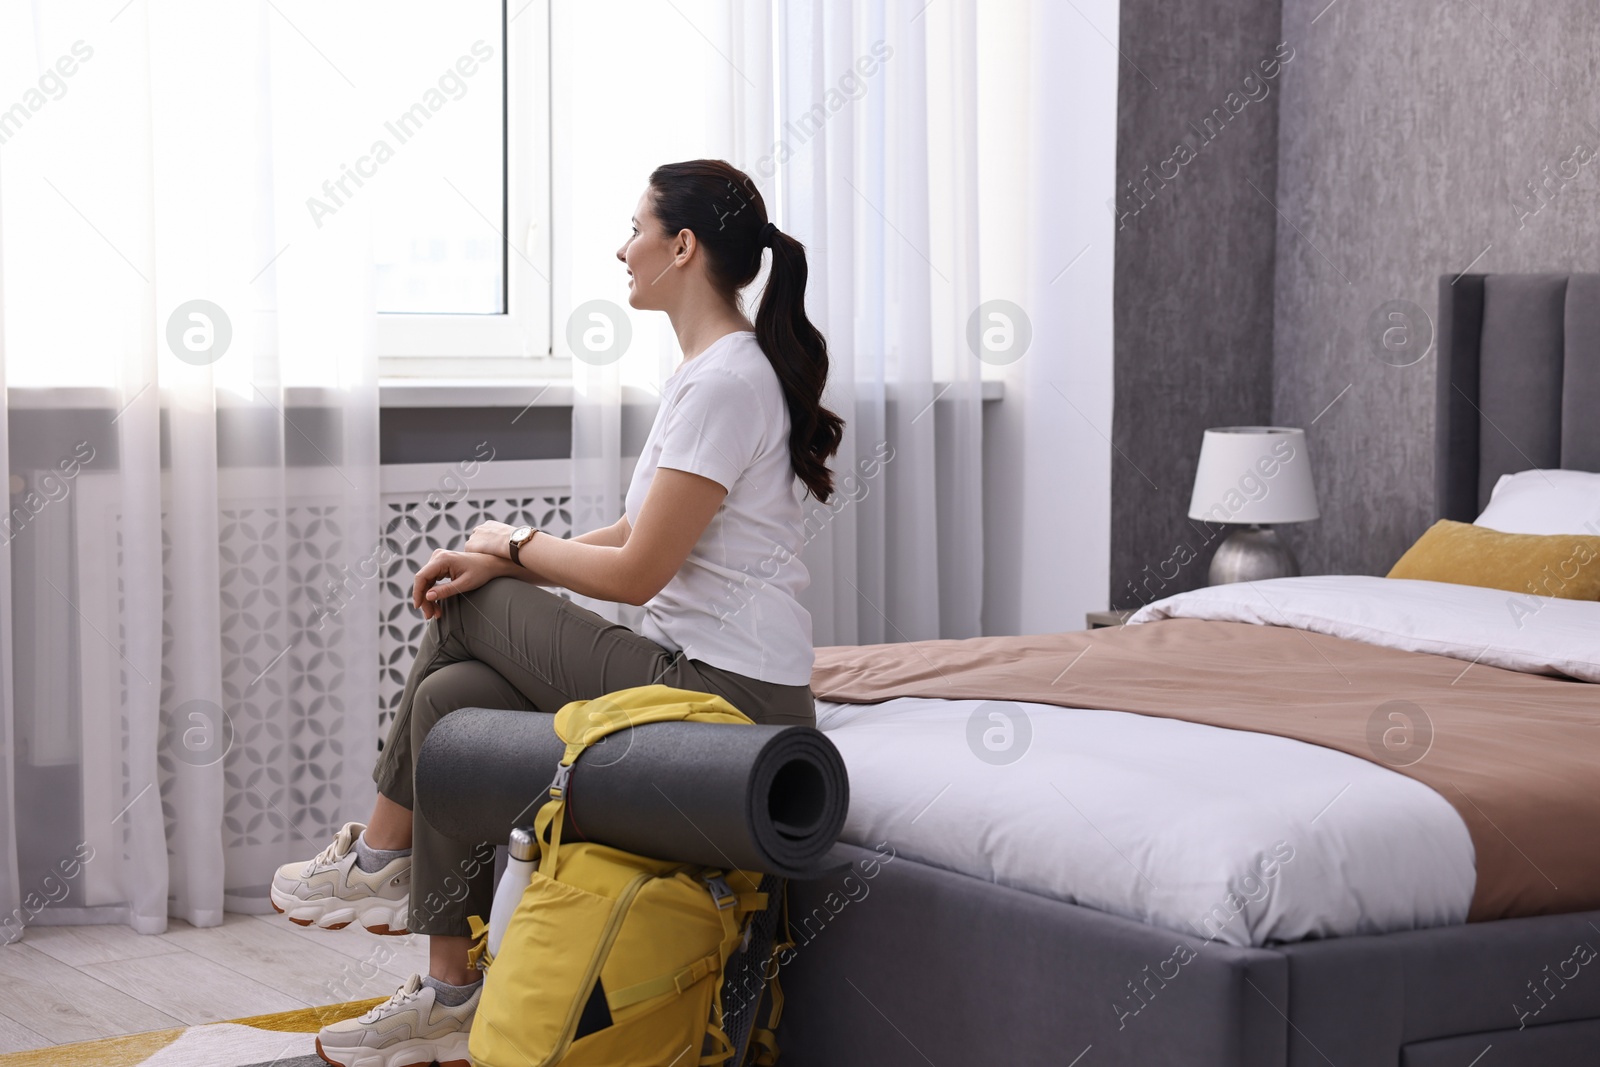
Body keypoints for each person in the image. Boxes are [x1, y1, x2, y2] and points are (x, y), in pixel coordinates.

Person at [270, 159, 845, 1067]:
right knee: (454, 697)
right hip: (697, 680)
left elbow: (639, 573)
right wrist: (507, 546)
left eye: (635, 229)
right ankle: (451, 994)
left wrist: (508, 544)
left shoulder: (726, 382)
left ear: (682, 246)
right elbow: (635, 531)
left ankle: (379, 855)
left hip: (725, 703)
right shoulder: (714, 372)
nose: (624, 249)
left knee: (478, 602)